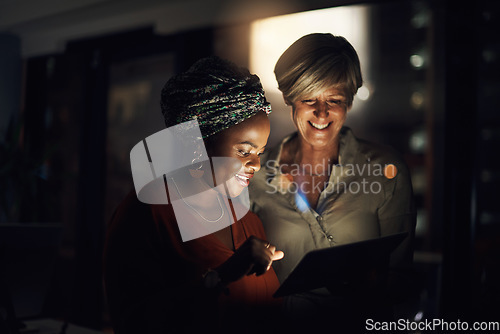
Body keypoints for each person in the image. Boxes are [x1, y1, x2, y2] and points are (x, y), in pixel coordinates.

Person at [248, 33, 416, 332]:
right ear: (290, 99)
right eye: (309, 99)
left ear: (349, 102)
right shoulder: (257, 174)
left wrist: (372, 284)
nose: (322, 113)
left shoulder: (384, 170)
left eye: (334, 100)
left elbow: (403, 280)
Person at [104, 57, 284, 334]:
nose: (257, 165)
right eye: (244, 151)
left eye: (260, 153)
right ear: (199, 145)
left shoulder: (249, 222)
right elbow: (133, 322)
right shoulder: (146, 215)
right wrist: (220, 277)